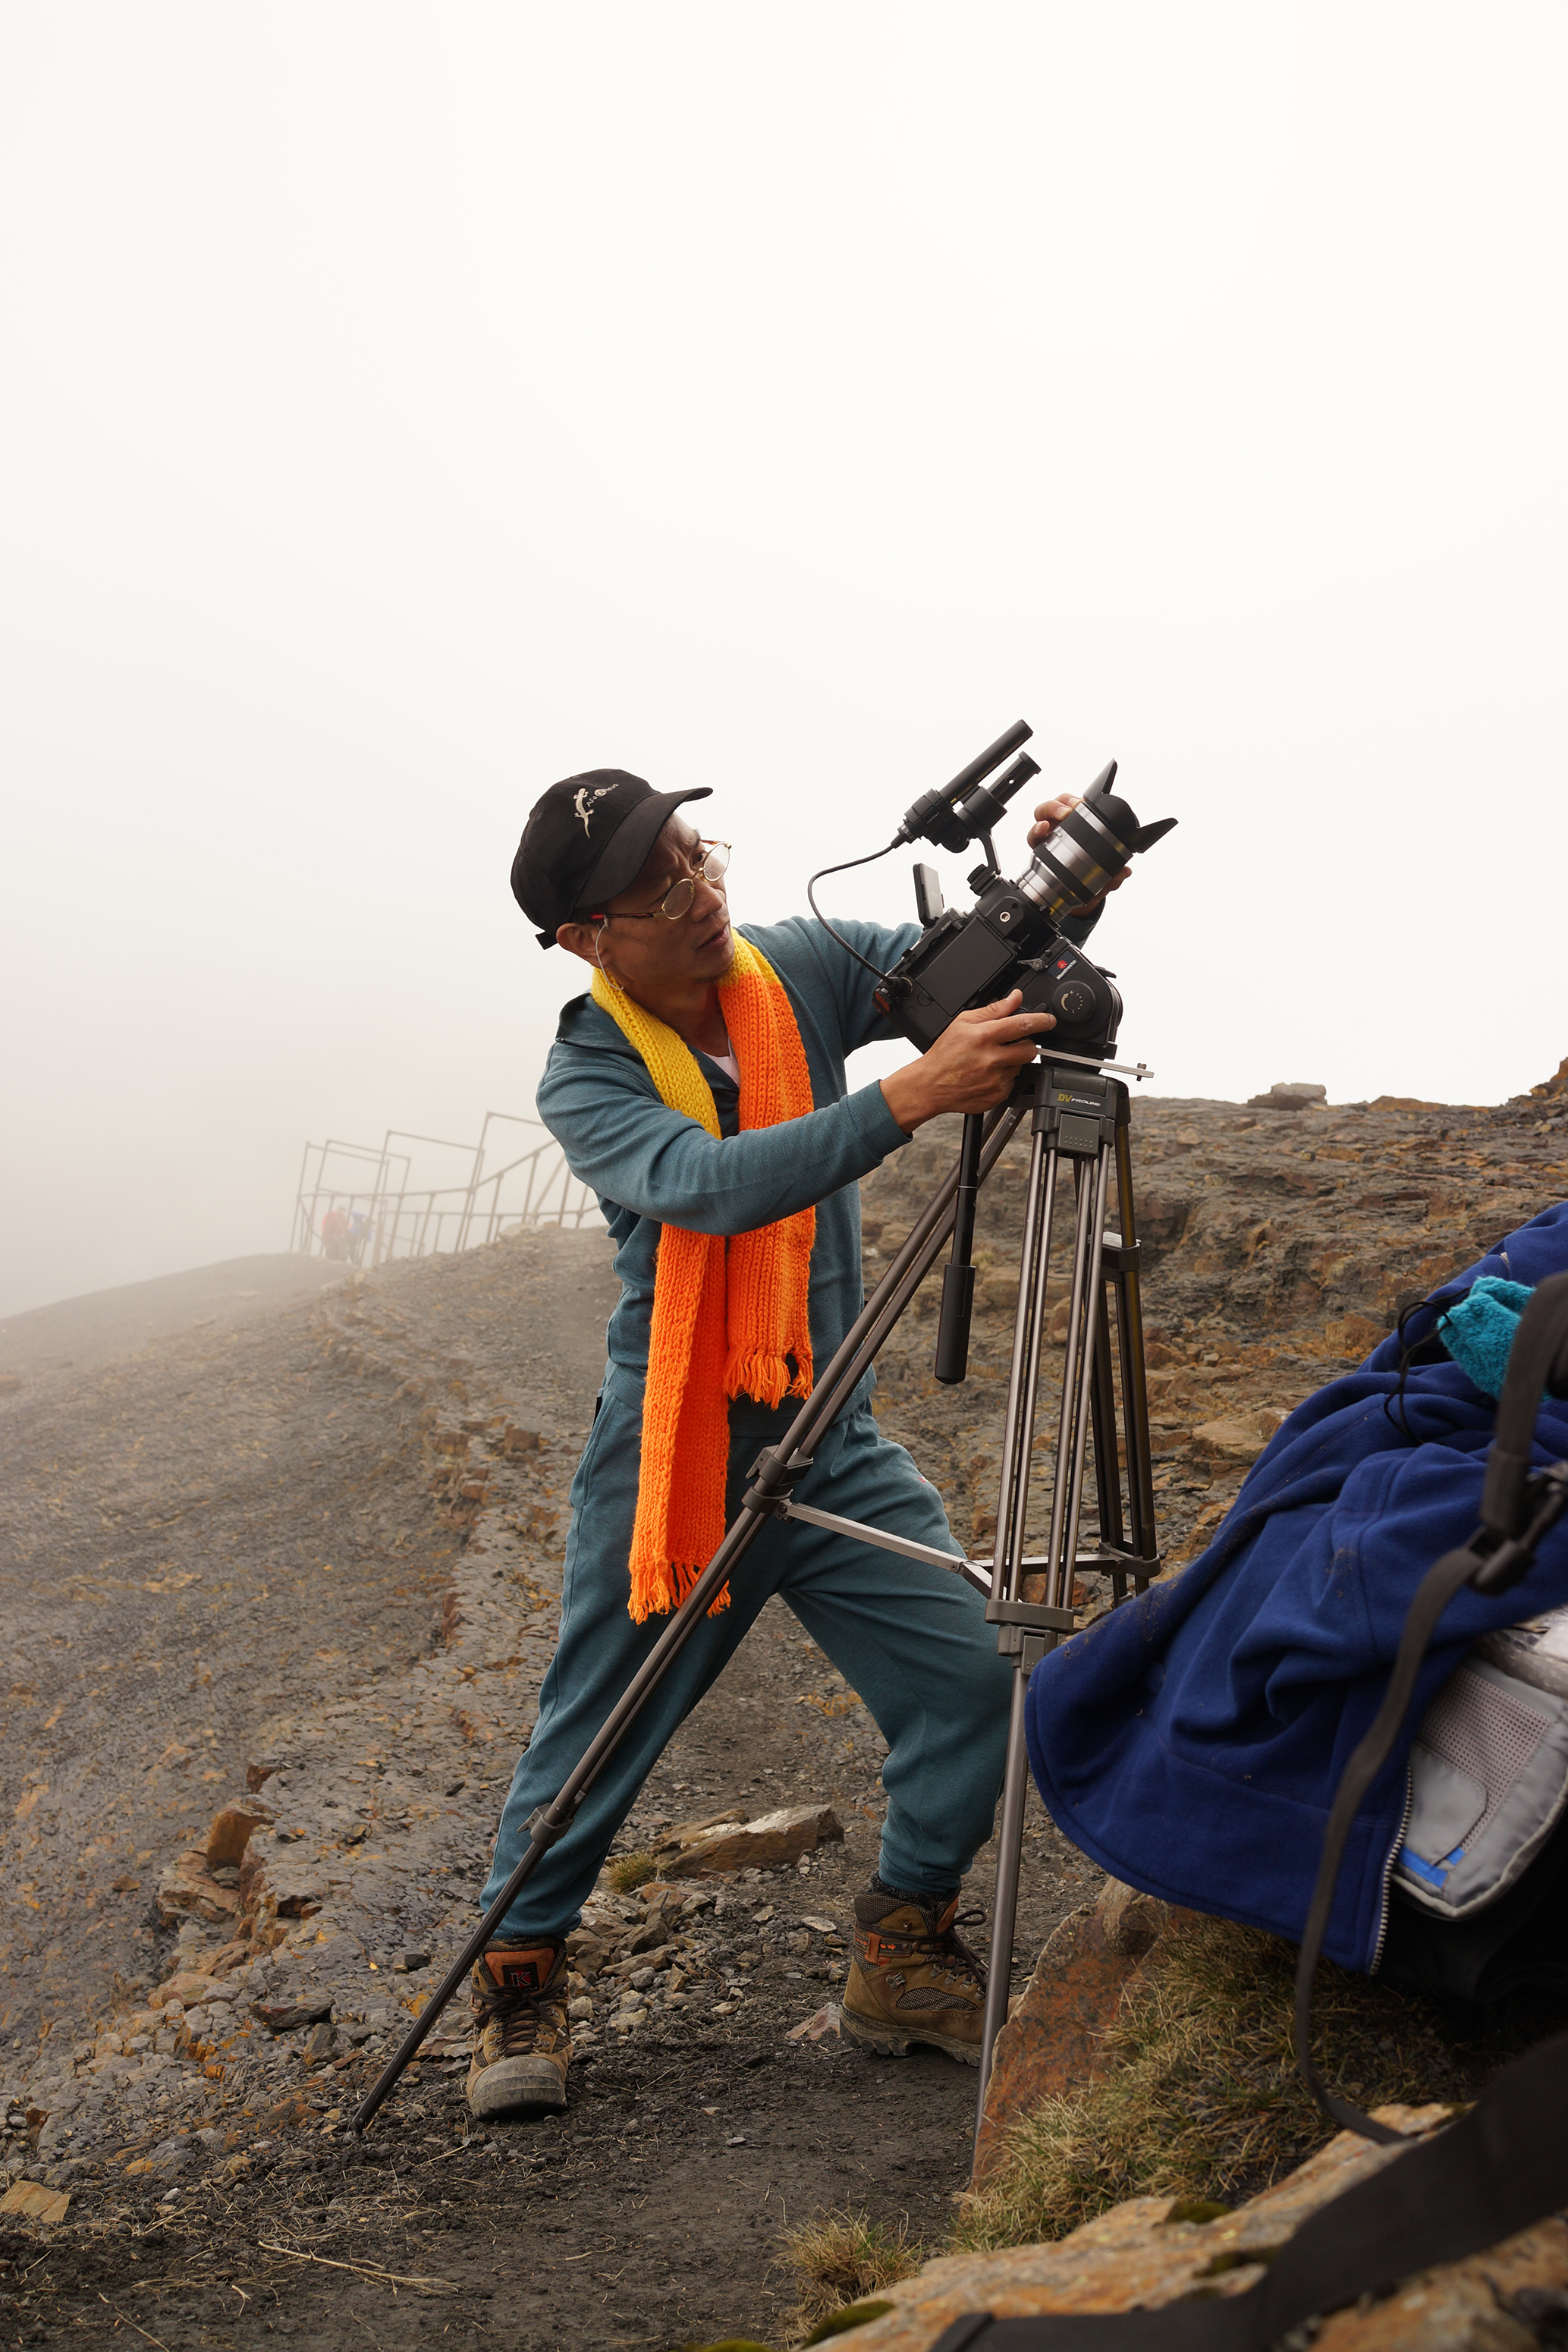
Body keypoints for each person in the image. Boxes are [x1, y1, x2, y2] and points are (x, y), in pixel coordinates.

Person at [468, 766, 1115, 2120]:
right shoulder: (586, 1074)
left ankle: (901, 1947)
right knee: (598, 1729)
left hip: (833, 1429)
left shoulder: (797, 968)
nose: (701, 897)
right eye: (661, 891)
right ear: (591, 940)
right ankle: (519, 1977)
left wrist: (1057, 900)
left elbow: (946, 980)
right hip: (680, 1448)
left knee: (973, 1680)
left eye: (700, 860)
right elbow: (706, 1190)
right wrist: (908, 1102)